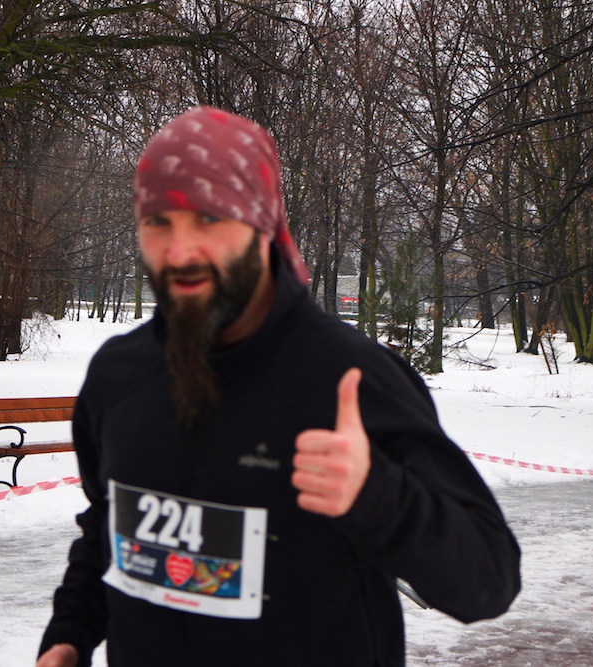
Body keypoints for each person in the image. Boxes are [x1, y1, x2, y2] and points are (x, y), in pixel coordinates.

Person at [37, 106, 521, 667]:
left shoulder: (349, 379)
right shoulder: (119, 375)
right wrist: (69, 635)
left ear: (262, 225)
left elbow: (489, 580)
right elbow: (109, 526)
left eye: (209, 219)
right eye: (158, 222)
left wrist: (376, 495)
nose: (180, 250)